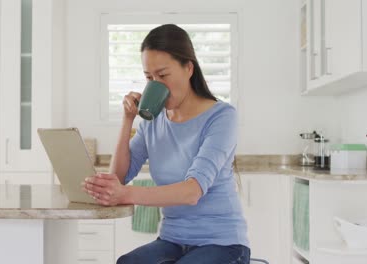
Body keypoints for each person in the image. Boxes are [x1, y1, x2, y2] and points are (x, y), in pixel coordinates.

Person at [82, 24, 250, 264]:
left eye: (163, 75)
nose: (156, 84)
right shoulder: (154, 120)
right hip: (172, 240)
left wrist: (125, 194)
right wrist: (128, 119)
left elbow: (192, 191)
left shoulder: (222, 117)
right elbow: (118, 177)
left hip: (223, 244)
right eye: (149, 78)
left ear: (188, 68)